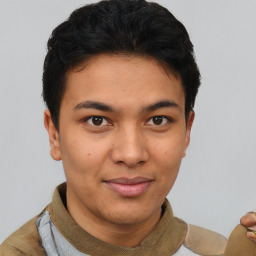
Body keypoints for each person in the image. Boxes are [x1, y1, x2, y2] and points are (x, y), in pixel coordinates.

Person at [1, 0, 255, 255]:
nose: (131, 154)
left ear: (187, 131)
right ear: (54, 134)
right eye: (97, 120)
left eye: (158, 120)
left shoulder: (224, 251)